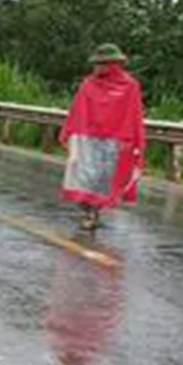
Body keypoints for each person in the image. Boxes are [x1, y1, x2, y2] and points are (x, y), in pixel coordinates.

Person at [60, 44, 146, 231]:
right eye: (96, 64)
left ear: (113, 64)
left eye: (101, 63)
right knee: (81, 177)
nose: (96, 67)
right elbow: (77, 110)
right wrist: (72, 133)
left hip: (114, 142)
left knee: (103, 181)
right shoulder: (88, 84)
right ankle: (87, 212)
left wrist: (130, 140)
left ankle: (92, 214)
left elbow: (134, 115)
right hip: (87, 139)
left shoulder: (130, 86)